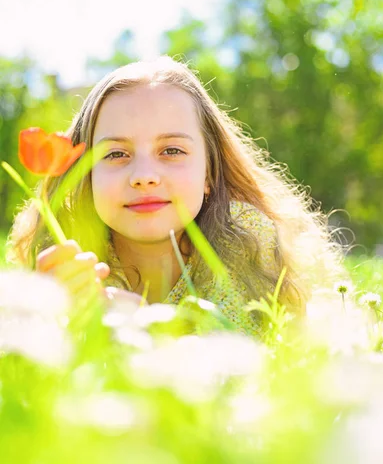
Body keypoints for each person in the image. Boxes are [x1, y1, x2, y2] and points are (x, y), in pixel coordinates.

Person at [7, 56, 342, 337]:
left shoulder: (245, 244)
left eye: (171, 150)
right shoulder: (63, 254)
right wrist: (45, 317)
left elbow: (240, 377)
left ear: (209, 171)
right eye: (114, 154)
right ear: (85, 175)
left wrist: (137, 330)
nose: (143, 177)